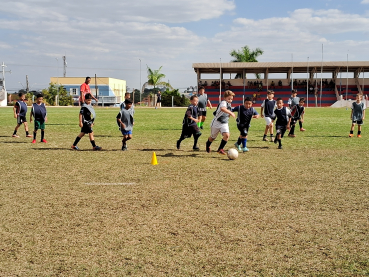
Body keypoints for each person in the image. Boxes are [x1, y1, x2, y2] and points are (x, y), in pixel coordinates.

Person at [205, 90, 236, 155]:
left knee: (227, 135)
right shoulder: (223, 102)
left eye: (231, 99)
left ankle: (220, 149)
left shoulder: (229, 104)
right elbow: (223, 109)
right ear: (225, 98)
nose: (230, 100)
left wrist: (229, 116)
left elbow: (227, 113)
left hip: (224, 123)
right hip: (216, 122)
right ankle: (208, 144)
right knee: (212, 138)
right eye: (229, 99)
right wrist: (231, 113)